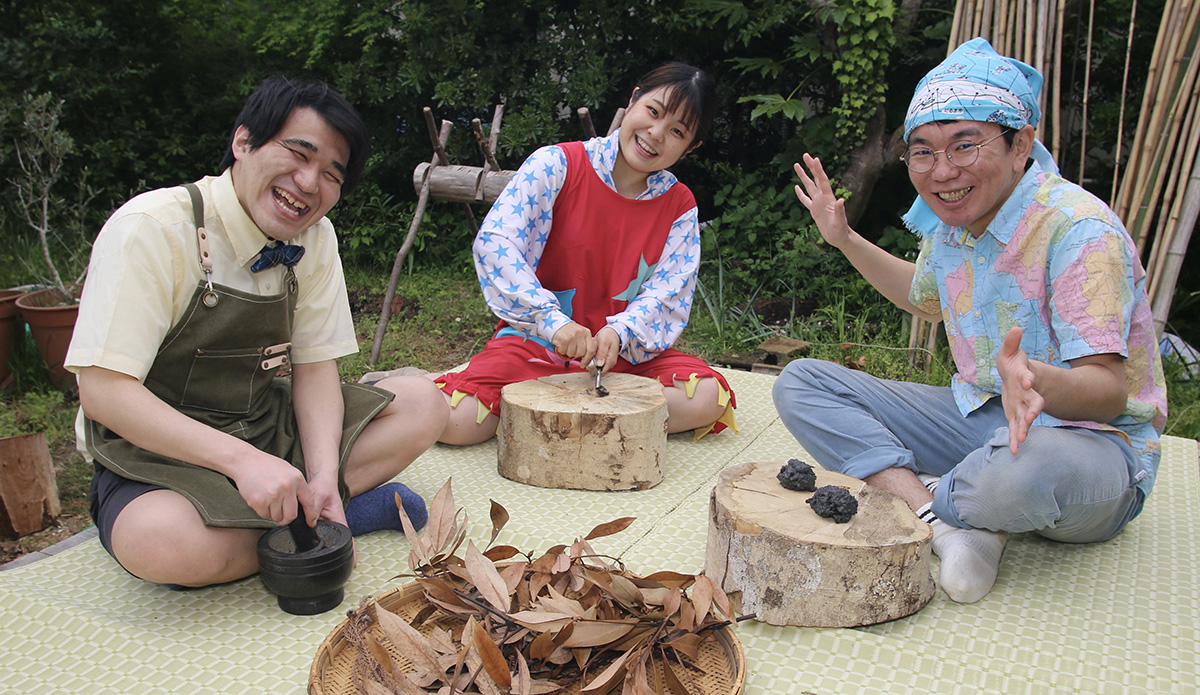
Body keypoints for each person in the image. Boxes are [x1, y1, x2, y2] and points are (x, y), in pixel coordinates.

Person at [774, 38, 1167, 603]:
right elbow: (925, 296)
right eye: (923, 152)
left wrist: (1037, 381)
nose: (942, 170)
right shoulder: (953, 226)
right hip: (981, 418)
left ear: (1020, 144)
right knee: (802, 384)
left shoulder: (1079, 229)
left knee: (1020, 471)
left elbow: (1107, 394)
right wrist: (844, 239)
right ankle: (941, 518)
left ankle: (953, 500)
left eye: (964, 145)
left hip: (1091, 449)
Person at [66, 77, 448, 588]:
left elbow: (315, 370)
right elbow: (102, 392)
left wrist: (320, 477)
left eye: (331, 174)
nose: (309, 183)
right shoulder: (152, 228)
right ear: (243, 143)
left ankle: (322, 509)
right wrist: (242, 462)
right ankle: (320, 527)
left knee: (425, 403)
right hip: (159, 455)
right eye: (298, 153)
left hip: (265, 426)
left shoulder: (315, 237)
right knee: (160, 543)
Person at [434, 62, 737, 445]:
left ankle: (551, 422)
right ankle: (599, 425)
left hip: (622, 359)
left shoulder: (678, 205)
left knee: (705, 396)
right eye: (653, 112)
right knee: (458, 421)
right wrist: (552, 322)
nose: (655, 134)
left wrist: (619, 332)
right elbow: (496, 243)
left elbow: (667, 294)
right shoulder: (557, 164)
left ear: (691, 146)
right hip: (535, 345)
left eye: (677, 131)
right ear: (633, 100)